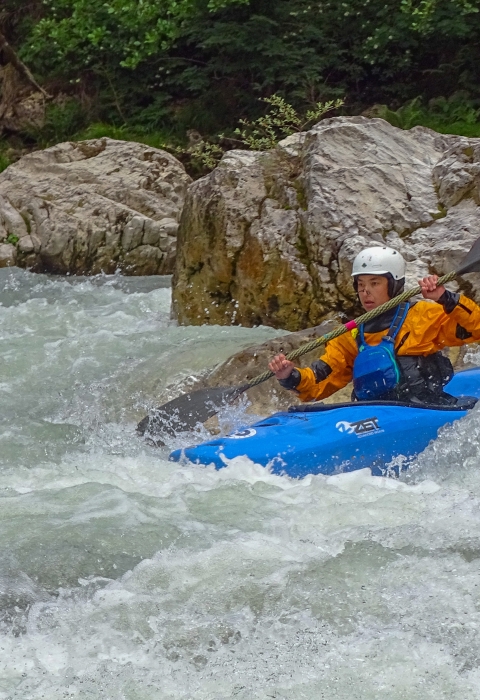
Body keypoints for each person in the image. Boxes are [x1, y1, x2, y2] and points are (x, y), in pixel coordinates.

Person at [269, 246, 480, 405]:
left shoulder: (422, 316)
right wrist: (291, 377)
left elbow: (476, 329)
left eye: (374, 283)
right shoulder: (349, 335)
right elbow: (320, 381)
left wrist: (446, 298)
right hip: (375, 416)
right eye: (360, 285)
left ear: (395, 284)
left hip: (425, 407)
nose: (365, 291)